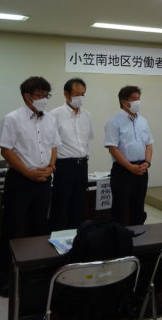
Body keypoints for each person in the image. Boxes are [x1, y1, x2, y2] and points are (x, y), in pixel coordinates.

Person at [0, 76, 60, 297]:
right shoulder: (12, 118)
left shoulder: (50, 119)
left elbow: (54, 146)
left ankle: (34, 276)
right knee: (11, 230)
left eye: (46, 95)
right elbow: (6, 150)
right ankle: (5, 280)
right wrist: (27, 172)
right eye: (40, 95)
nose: (44, 99)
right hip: (21, 180)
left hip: (44, 180)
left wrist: (50, 167)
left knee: (39, 229)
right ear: (27, 96)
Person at [104, 85, 153, 226]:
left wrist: (147, 162)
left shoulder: (143, 121)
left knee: (138, 208)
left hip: (142, 169)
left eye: (139, 98)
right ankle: (119, 237)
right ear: (124, 102)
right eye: (134, 99)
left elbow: (149, 144)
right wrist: (130, 167)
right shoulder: (114, 122)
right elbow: (113, 148)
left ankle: (138, 236)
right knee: (121, 209)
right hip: (123, 170)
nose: (138, 102)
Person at [49, 78, 94, 231]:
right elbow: (50, 144)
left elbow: (86, 140)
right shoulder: (54, 115)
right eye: (76, 94)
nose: (80, 98)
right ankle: (57, 238)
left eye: (83, 94)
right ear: (66, 94)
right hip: (64, 165)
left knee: (79, 205)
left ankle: (76, 238)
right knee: (61, 206)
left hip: (82, 164)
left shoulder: (86, 115)